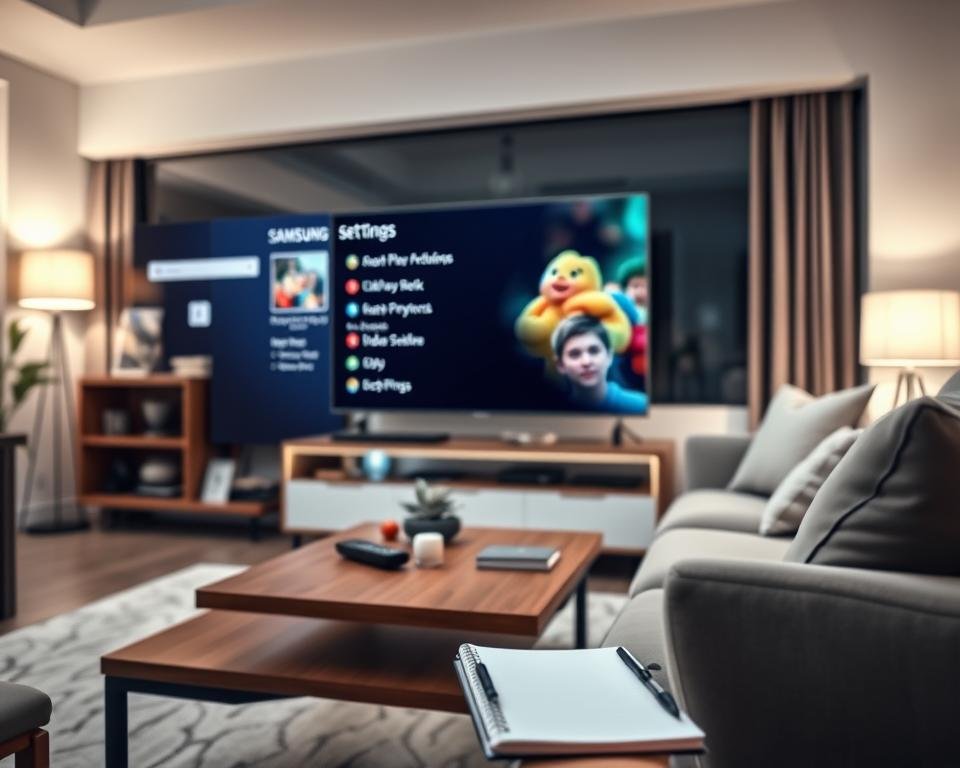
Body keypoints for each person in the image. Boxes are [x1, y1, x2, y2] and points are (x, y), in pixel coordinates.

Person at [552, 315, 648, 414]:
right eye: (575, 354)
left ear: (609, 356)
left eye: (594, 351)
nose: (586, 362)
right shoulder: (552, 413)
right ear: (560, 365)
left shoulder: (640, 406)